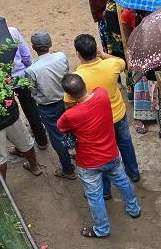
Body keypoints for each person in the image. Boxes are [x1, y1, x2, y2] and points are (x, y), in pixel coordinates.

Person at [57, 74, 141, 238]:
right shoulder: (102, 94)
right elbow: (95, 90)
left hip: (89, 163)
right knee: (123, 182)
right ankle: (134, 209)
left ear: (69, 95)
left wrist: (69, 103)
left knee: (95, 197)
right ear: (84, 85)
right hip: (111, 153)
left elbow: (60, 126)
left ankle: (102, 229)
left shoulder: (70, 115)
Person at [68, 33, 140, 182]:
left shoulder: (77, 77)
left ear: (78, 54)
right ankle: (134, 173)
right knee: (125, 144)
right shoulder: (111, 65)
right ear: (96, 50)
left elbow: (69, 103)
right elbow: (122, 62)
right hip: (118, 114)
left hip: (96, 122)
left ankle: (107, 188)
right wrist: (103, 55)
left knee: (102, 152)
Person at [22, 32, 76, 179]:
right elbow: (67, 73)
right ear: (50, 44)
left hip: (47, 107)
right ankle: (77, 154)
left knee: (57, 138)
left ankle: (68, 170)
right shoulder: (61, 56)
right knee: (73, 129)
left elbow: (32, 89)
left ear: (33, 47)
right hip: (67, 100)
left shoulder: (32, 70)